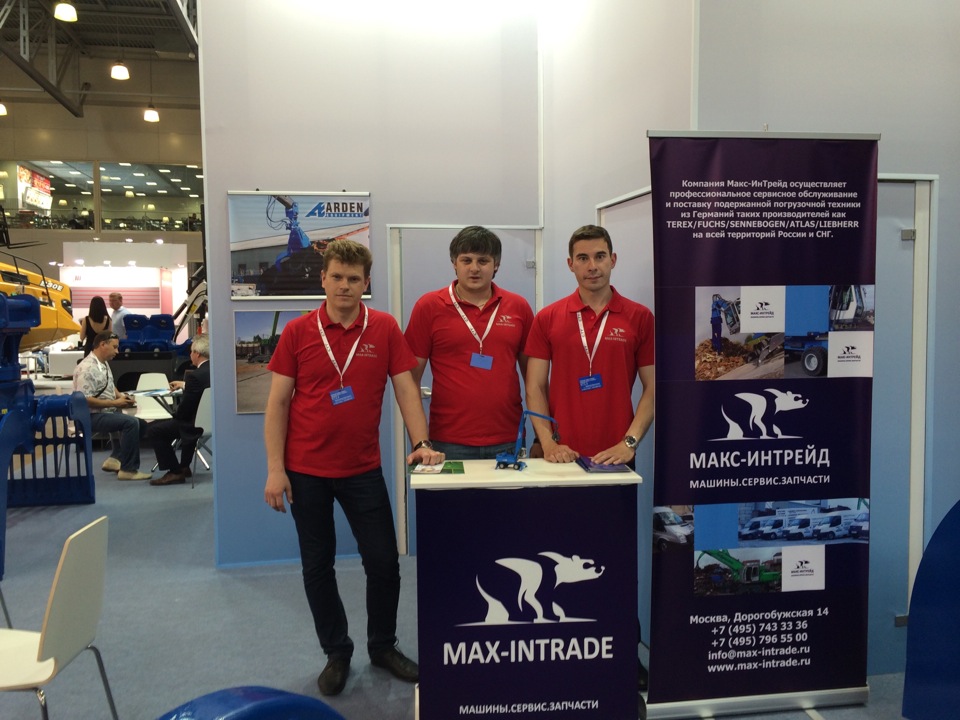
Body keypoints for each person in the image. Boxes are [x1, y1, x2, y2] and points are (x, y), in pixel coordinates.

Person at [263, 239, 444, 697]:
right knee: (317, 566)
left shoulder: (384, 328)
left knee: (383, 562)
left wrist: (421, 442)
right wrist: (275, 469)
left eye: (354, 279)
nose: (345, 285)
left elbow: (406, 388)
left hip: (363, 468)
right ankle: (336, 652)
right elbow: (278, 403)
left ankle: (382, 646)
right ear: (323, 279)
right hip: (305, 471)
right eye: (338, 277)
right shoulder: (298, 332)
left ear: (366, 283)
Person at [523, 224, 655, 689]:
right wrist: (548, 442)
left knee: (616, 561)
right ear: (570, 264)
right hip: (560, 462)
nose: (592, 265)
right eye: (582, 257)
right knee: (557, 561)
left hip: (615, 464)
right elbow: (534, 386)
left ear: (613, 260)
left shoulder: (638, 317)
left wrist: (630, 443)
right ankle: (563, 647)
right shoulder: (549, 318)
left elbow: (653, 389)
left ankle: (624, 653)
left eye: (600, 256)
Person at [404, 226, 534, 459]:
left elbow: (534, 380)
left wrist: (545, 437)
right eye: (466, 260)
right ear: (454, 263)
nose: (474, 268)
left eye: (483, 261)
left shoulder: (518, 307)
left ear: (496, 265)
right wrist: (420, 442)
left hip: (508, 438)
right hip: (448, 441)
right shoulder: (429, 307)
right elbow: (408, 382)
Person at [73, 330, 152, 481]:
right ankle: (128, 470)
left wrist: (122, 397)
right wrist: (114, 403)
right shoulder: (87, 368)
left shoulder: (102, 363)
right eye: (114, 347)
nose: (117, 351)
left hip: (104, 412)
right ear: (103, 344)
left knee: (141, 424)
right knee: (131, 423)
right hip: (89, 416)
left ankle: (116, 458)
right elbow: (84, 399)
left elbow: (110, 385)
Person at [147, 333, 211, 486]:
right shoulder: (214, 371)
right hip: (209, 421)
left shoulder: (194, 376)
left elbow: (185, 410)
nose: (190, 355)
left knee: (154, 430)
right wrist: (185, 385)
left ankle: (175, 472)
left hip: (193, 425)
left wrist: (174, 415)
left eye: (191, 352)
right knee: (180, 423)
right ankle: (184, 466)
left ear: (197, 353)